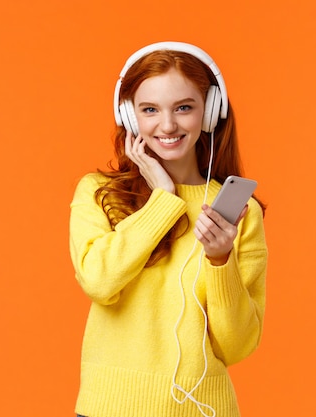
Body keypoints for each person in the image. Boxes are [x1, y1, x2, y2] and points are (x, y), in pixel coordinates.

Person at [69, 41, 268, 417]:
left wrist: (220, 259)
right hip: (109, 408)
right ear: (130, 117)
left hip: (204, 409)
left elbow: (237, 346)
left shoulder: (240, 213)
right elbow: (99, 282)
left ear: (211, 113)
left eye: (184, 108)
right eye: (150, 110)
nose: (168, 125)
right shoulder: (98, 192)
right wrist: (163, 198)